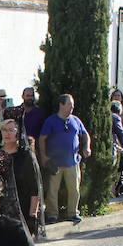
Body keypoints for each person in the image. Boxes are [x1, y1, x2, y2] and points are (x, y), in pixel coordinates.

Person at [38, 94, 91, 224]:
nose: (72, 107)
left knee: (74, 189)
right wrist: (44, 156)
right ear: (61, 104)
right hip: (55, 162)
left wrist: (87, 147)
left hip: (72, 161)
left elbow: (85, 135)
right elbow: (42, 139)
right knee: (52, 190)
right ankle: (52, 214)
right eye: (69, 104)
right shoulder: (51, 121)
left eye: (72, 105)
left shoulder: (76, 120)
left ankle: (73, 213)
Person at [0, 119, 42, 235]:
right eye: (4, 130)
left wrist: (33, 215)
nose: (7, 133)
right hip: (0, 211)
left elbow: (34, 188)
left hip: (22, 209)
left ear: (18, 132)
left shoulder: (26, 156)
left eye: (11, 130)